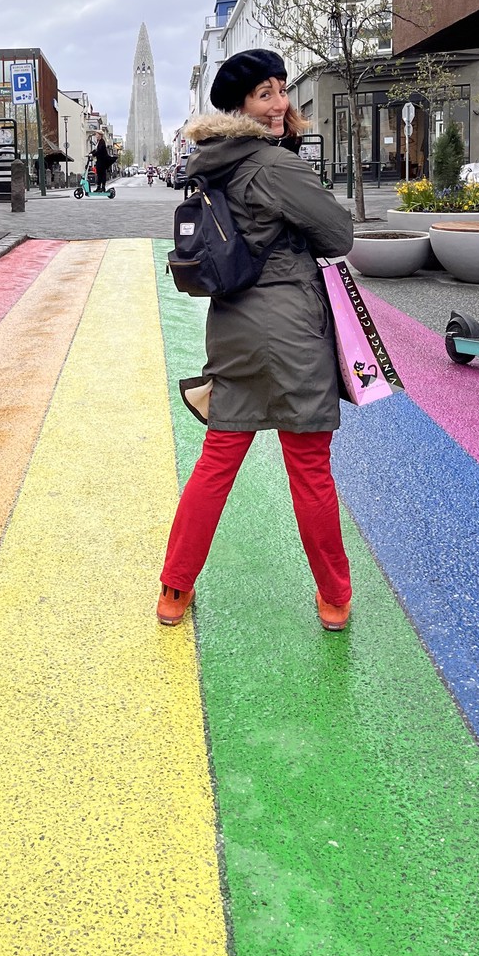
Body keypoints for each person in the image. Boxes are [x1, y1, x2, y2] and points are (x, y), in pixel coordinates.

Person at [157, 49, 356, 632]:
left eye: (282, 90)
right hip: (291, 329)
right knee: (310, 467)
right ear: (241, 105)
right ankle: (334, 597)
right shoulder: (273, 165)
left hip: (234, 325)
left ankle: (174, 587)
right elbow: (338, 233)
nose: (281, 103)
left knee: (218, 460)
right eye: (265, 94)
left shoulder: (216, 160)